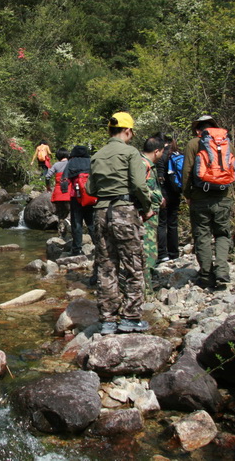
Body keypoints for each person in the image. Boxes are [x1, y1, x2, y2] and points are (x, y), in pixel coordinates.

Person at [87, 112, 153, 335]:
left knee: (106, 266)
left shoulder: (97, 155)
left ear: (109, 131)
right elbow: (138, 185)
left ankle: (107, 320)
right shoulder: (130, 152)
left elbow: (90, 190)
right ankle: (131, 318)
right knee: (133, 264)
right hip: (124, 211)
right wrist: (148, 207)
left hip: (101, 213)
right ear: (128, 131)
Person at [182, 115, 233, 291]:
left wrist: (187, 194)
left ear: (198, 130)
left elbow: (187, 171)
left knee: (202, 235)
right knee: (222, 234)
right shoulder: (225, 141)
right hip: (222, 196)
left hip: (199, 198)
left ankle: (206, 276)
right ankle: (221, 271)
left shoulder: (193, 144)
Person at [140, 136, 166, 290]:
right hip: (146, 214)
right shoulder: (143, 164)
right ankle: (146, 287)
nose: (162, 155)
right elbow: (140, 187)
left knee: (149, 248)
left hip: (150, 213)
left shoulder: (147, 164)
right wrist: (158, 197)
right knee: (148, 249)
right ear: (157, 151)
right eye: (162, 152)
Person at [61, 145, 95, 256]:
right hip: (90, 196)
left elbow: (65, 179)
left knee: (77, 223)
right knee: (92, 223)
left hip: (76, 197)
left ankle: (76, 250)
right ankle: (99, 247)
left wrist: (64, 190)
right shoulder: (91, 161)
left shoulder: (71, 162)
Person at [157, 135, 182, 262]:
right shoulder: (179, 153)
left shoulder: (162, 155)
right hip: (176, 193)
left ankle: (162, 254)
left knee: (161, 224)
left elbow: (160, 176)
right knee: (173, 224)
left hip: (164, 194)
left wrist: (159, 194)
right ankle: (174, 252)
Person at [46, 148, 71, 239]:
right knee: (71, 212)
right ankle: (71, 230)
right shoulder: (71, 163)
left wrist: (48, 187)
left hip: (58, 192)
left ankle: (61, 234)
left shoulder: (56, 165)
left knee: (60, 214)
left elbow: (47, 176)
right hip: (69, 192)